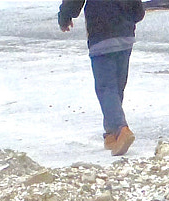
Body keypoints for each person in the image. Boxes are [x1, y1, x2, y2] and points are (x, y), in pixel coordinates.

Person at [58, 0, 145, 156]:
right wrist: (133, 15)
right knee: (117, 87)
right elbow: (138, 11)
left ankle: (120, 128)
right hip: (125, 34)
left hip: (102, 33)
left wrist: (65, 15)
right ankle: (111, 133)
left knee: (106, 88)